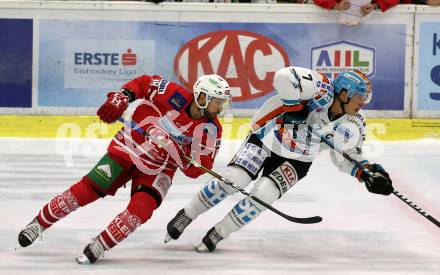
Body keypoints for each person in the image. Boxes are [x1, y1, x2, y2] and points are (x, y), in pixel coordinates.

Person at [164, 67, 394, 252]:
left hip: (298, 160)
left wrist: (368, 173)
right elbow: (284, 76)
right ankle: (187, 214)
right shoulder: (320, 88)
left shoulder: (354, 123)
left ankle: (219, 232)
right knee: (232, 179)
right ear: (343, 93)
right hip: (266, 139)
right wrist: (295, 106)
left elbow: (348, 156)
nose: (362, 103)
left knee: (263, 195)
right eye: (359, 97)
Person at [17, 73, 231, 263]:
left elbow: (196, 170)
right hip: (129, 148)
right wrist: (120, 99)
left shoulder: (211, 130)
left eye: (223, 102)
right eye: (218, 102)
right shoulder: (173, 94)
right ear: (202, 97)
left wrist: (182, 151)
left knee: (141, 210)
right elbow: (143, 83)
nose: (221, 108)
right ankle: (39, 223)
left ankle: (101, 244)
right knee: (87, 190)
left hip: (159, 169)